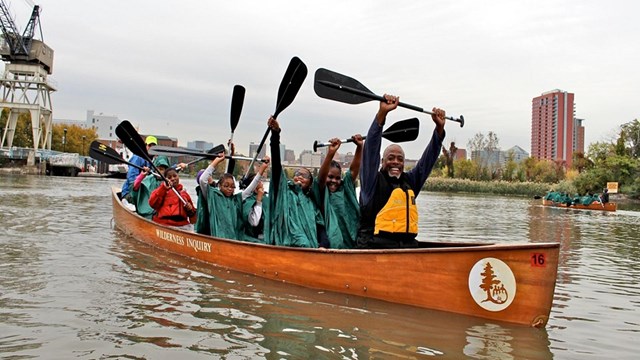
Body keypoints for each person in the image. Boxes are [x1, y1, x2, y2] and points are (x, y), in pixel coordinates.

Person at [357, 94, 446, 249]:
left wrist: (439, 130)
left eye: (400, 159)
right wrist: (381, 115)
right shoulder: (371, 182)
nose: (396, 162)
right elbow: (371, 150)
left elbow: (427, 161)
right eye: (391, 158)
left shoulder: (409, 182)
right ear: (382, 162)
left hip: (407, 248)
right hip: (374, 249)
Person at [267, 116, 326, 248]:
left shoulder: (311, 203)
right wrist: (275, 135)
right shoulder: (284, 193)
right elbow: (276, 166)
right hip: (284, 245)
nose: (299, 176)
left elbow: (320, 228)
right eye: (297, 174)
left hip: (308, 248)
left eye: (304, 175)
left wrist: (323, 245)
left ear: (311, 183)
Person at [201, 152, 269, 240]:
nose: (230, 189)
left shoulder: (236, 200)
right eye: (226, 186)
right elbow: (203, 180)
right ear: (219, 186)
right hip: (218, 238)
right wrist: (216, 161)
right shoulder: (213, 196)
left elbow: (251, 188)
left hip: (234, 239)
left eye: (233, 187)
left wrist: (262, 169)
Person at [317, 135, 363, 249]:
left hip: (352, 243)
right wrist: (331, 153)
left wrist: (360, 147)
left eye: (338, 178)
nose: (334, 181)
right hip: (331, 245)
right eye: (330, 177)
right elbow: (321, 178)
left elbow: (353, 170)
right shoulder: (322, 192)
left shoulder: (345, 189)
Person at [148, 166, 197, 231]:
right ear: (165, 179)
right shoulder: (160, 191)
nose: (173, 179)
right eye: (169, 177)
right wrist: (163, 188)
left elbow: (193, 219)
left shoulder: (184, 194)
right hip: (163, 225)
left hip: (182, 225)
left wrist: (190, 210)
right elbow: (152, 204)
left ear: (178, 176)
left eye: (175, 176)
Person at [121, 135, 157, 201]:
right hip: (129, 193)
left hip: (144, 193)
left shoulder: (153, 161)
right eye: (149, 146)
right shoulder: (137, 157)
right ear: (145, 146)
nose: (151, 148)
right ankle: (127, 201)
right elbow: (131, 178)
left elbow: (162, 171)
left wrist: (176, 167)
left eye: (153, 146)